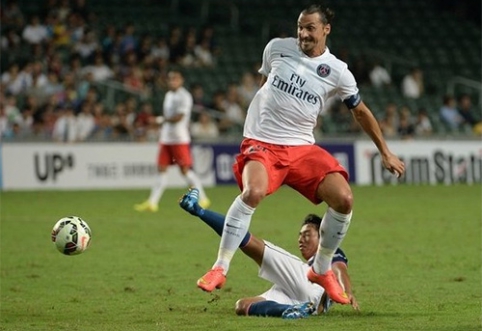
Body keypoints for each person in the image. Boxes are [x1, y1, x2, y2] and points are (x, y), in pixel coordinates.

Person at [196, 4, 405, 306]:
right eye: (300, 27)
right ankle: (220, 267)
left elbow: (360, 111)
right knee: (252, 192)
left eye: (310, 28)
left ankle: (321, 270)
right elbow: (265, 83)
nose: (303, 34)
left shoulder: (338, 71)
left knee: (344, 199)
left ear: (325, 30)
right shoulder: (276, 48)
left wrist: (385, 152)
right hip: (263, 142)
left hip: (302, 147)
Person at [180, 188, 359, 319]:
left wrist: (347, 291)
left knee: (250, 243)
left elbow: (339, 270)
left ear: (322, 237)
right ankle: (290, 311)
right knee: (242, 306)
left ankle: (198, 210)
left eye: (307, 234)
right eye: (299, 235)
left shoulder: (328, 251)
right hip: (307, 302)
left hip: (311, 284)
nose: (301, 239)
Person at [134, 69, 210, 212]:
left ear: (181, 80)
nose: (172, 81)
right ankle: (152, 203)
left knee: (185, 171)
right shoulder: (168, 95)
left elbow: (179, 117)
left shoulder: (185, 96)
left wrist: (159, 120)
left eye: (175, 79)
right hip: (166, 138)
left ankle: (204, 198)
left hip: (179, 138)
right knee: (161, 169)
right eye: (170, 79)